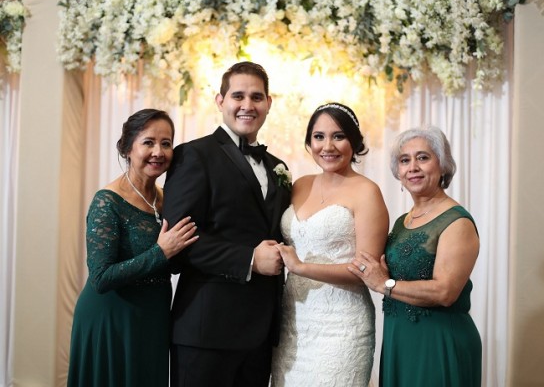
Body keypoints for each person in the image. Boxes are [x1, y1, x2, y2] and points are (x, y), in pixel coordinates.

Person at [162, 61, 292, 387]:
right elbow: (179, 245)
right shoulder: (194, 155)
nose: (247, 105)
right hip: (207, 331)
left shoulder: (279, 167)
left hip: (261, 335)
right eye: (238, 96)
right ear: (220, 102)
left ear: (268, 103)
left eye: (256, 97)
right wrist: (249, 259)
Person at [67, 109, 199, 387]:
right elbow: (101, 278)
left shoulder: (167, 199)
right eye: (148, 142)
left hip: (153, 316)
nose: (158, 152)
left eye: (166, 143)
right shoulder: (107, 202)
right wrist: (160, 252)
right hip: (111, 318)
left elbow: (174, 261)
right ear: (127, 148)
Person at [349, 125, 482, 387]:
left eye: (423, 157)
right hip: (400, 338)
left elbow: (445, 292)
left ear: (442, 165)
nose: (413, 167)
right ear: (398, 172)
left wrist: (384, 284)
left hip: (440, 342)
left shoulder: (457, 222)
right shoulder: (401, 222)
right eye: (404, 160)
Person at [270, 102, 389, 386]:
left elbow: (365, 270)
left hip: (341, 326)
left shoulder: (367, 192)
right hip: (293, 321)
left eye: (338, 136)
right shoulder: (299, 185)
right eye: (319, 137)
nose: (328, 146)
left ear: (354, 142)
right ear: (309, 142)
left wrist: (301, 266)